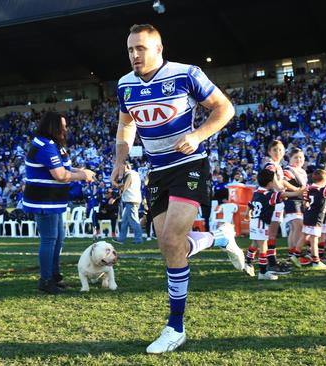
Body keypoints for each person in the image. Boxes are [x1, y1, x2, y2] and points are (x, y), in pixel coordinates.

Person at [112, 24, 245, 353]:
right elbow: (126, 123)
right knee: (169, 247)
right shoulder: (125, 85)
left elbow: (224, 108)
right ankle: (220, 237)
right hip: (156, 172)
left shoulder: (186, 74)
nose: (135, 55)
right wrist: (120, 159)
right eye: (130, 49)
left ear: (159, 49)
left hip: (189, 165)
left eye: (141, 48)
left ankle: (175, 326)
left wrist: (198, 135)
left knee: (172, 241)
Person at [23, 111, 95, 295]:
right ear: (53, 127)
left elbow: (64, 168)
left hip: (52, 199)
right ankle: (46, 280)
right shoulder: (46, 146)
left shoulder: (51, 144)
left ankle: (54, 275)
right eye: (62, 126)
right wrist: (82, 175)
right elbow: (60, 175)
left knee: (58, 239)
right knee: (49, 240)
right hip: (44, 200)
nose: (65, 129)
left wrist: (81, 170)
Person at [247, 169, 302, 280]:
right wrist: (298, 192)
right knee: (263, 247)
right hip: (261, 224)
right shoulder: (270, 195)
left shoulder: (257, 192)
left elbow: (250, 205)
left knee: (255, 244)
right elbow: (284, 194)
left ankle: (248, 263)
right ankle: (263, 273)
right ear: (270, 183)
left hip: (254, 222)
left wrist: (246, 214)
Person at [283, 148, 307, 260]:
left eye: (301, 157)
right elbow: (282, 182)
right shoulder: (288, 170)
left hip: (300, 201)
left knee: (295, 228)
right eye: (296, 157)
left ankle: (292, 251)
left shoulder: (302, 171)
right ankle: (296, 252)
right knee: (298, 226)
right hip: (292, 200)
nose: (299, 159)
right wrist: (297, 190)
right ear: (290, 159)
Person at [115, 163, 143, 244]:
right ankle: (121, 239)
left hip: (131, 200)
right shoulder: (135, 174)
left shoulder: (129, 175)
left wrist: (115, 196)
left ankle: (138, 239)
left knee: (134, 221)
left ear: (126, 167)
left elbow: (125, 187)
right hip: (133, 199)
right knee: (124, 221)